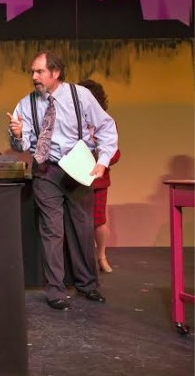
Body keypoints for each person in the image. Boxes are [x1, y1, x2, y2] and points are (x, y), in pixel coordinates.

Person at [7, 50, 118, 311]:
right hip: (46, 170)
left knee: (82, 228)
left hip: (78, 167)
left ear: (55, 73)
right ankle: (55, 290)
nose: (34, 76)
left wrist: (102, 161)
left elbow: (106, 127)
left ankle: (87, 285)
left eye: (39, 71)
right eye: (32, 72)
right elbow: (21, 143)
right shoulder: (26, 103)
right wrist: (17, 133)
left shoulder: (81, 96)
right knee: (52, 230)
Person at [78, 79, 122, 273]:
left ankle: (102, 257)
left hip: (98, 180)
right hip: (76, 178)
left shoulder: (105, 123)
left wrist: (101, 156)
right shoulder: (72, 123)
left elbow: (115, 154)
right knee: (77, 221)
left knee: (98, 220)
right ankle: (78, 261)